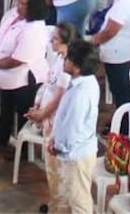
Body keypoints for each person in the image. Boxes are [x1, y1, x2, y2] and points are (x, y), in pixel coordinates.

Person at [0, 0, 49, 147]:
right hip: (5, 73)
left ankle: (23, 149)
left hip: (23, 77)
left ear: (33, 7)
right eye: (18, 1)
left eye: (23, 4)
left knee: (22, 113)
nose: (18, 6)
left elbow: (17, 60)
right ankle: (1, 137)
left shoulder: (34, 29)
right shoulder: (13, 14)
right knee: (5, 107)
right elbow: (1, 33)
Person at [24, 23, 74, 213]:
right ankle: (55, 203)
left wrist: (42, 113)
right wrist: (37, 105)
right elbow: (48, 85)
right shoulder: (58, 59)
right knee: (51, 168)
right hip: (47, 120)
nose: (50, 41)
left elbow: (59, 96)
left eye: (54, 39)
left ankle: (61, 208)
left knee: (58, 168)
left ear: (64, 43)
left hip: (56, 123)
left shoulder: (68, 65)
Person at [49, 39, 100, 214]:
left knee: (79, 202)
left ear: (77, 68)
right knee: (69, 195)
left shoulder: (81, 94)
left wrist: (57, 146)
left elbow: (71, 130)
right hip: (72, 151)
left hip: (75, 154)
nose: (65, 60)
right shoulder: (84, 82)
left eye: (68, 58)